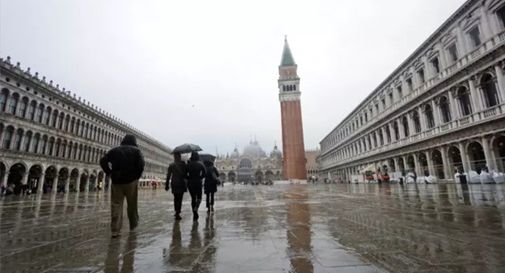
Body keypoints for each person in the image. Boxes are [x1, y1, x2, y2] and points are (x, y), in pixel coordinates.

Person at [100, 134, 145, 238]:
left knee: (116, 205)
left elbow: (103, 161)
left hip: (117, 181)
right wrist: (136, 176)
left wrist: (109, 172)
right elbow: (141, 164)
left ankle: (115, 230)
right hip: (131, 182)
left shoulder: (115, 150)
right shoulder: (136, 151)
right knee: (132, 205)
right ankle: (133, 226)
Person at [165, 152, 188, 220]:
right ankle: (178, 212)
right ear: (180, 157)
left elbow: (168, 176)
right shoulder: (183, 165)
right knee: (180, 199)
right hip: (181, 183)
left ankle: (176, 212)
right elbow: (186, 175)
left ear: (174, 157)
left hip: (174, 183)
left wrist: (166, 185)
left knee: (176, 198)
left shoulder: (171, 165)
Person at [187, 152, 206, 221]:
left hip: (190, 183)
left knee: (193, 198)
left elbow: (185, 174)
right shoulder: (200, 164)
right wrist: (200, 177)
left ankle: (195, 214)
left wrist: (189, 177)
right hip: (198, 182)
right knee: (199, 198)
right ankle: (196, 208)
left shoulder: (188, 165)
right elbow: (204, 174)